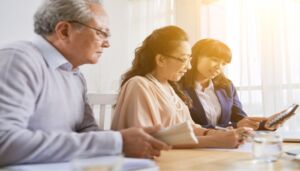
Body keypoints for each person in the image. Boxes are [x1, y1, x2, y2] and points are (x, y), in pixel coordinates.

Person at [0, 0, 169, 166]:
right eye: (101, 32)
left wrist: (132, 141)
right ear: (64, 31)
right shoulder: (18, 59)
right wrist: (117, 142)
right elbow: (4, 142)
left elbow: (88, 131)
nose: (107, 43)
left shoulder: (76, 75)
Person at [111, 26, 252, 149]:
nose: (189, 66)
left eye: (190, 59)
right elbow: (146, 141)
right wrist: (214, 140)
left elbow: (188, 128)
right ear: (161, 59)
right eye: (184, 59)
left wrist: (219, 133)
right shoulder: (139, 85)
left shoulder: (169, 87)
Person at [180, 38, 281, 130]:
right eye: (214, 60)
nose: (219, 67)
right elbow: (185, 128)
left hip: (227, 146)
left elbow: (241, 120)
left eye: (224, 63)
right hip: (196, 146)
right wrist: (234, 126)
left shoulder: (226, 86)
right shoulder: (177, 86)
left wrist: (267, 124)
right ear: (195, 57)